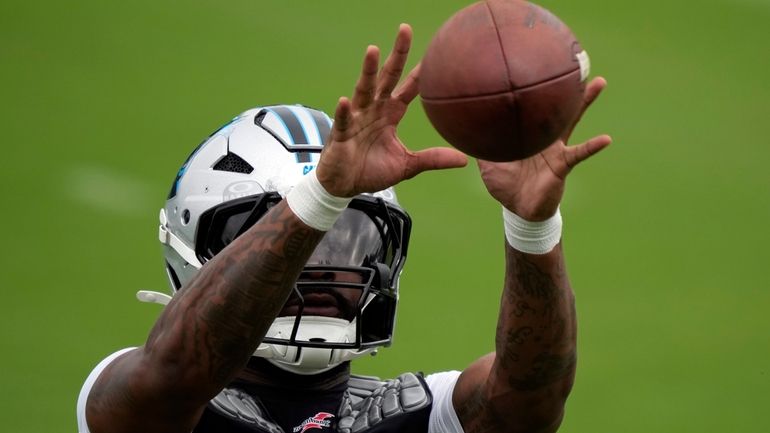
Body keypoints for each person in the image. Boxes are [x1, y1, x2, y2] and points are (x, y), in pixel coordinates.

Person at [76, 24, 611, 433]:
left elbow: (532, 398)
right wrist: (322, 197)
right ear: (197, 247)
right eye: (304, 238)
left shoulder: (418, 416)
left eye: (351, 236)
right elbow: (175, 376)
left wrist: (531, 226)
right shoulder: (140, 396)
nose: (326, 266)